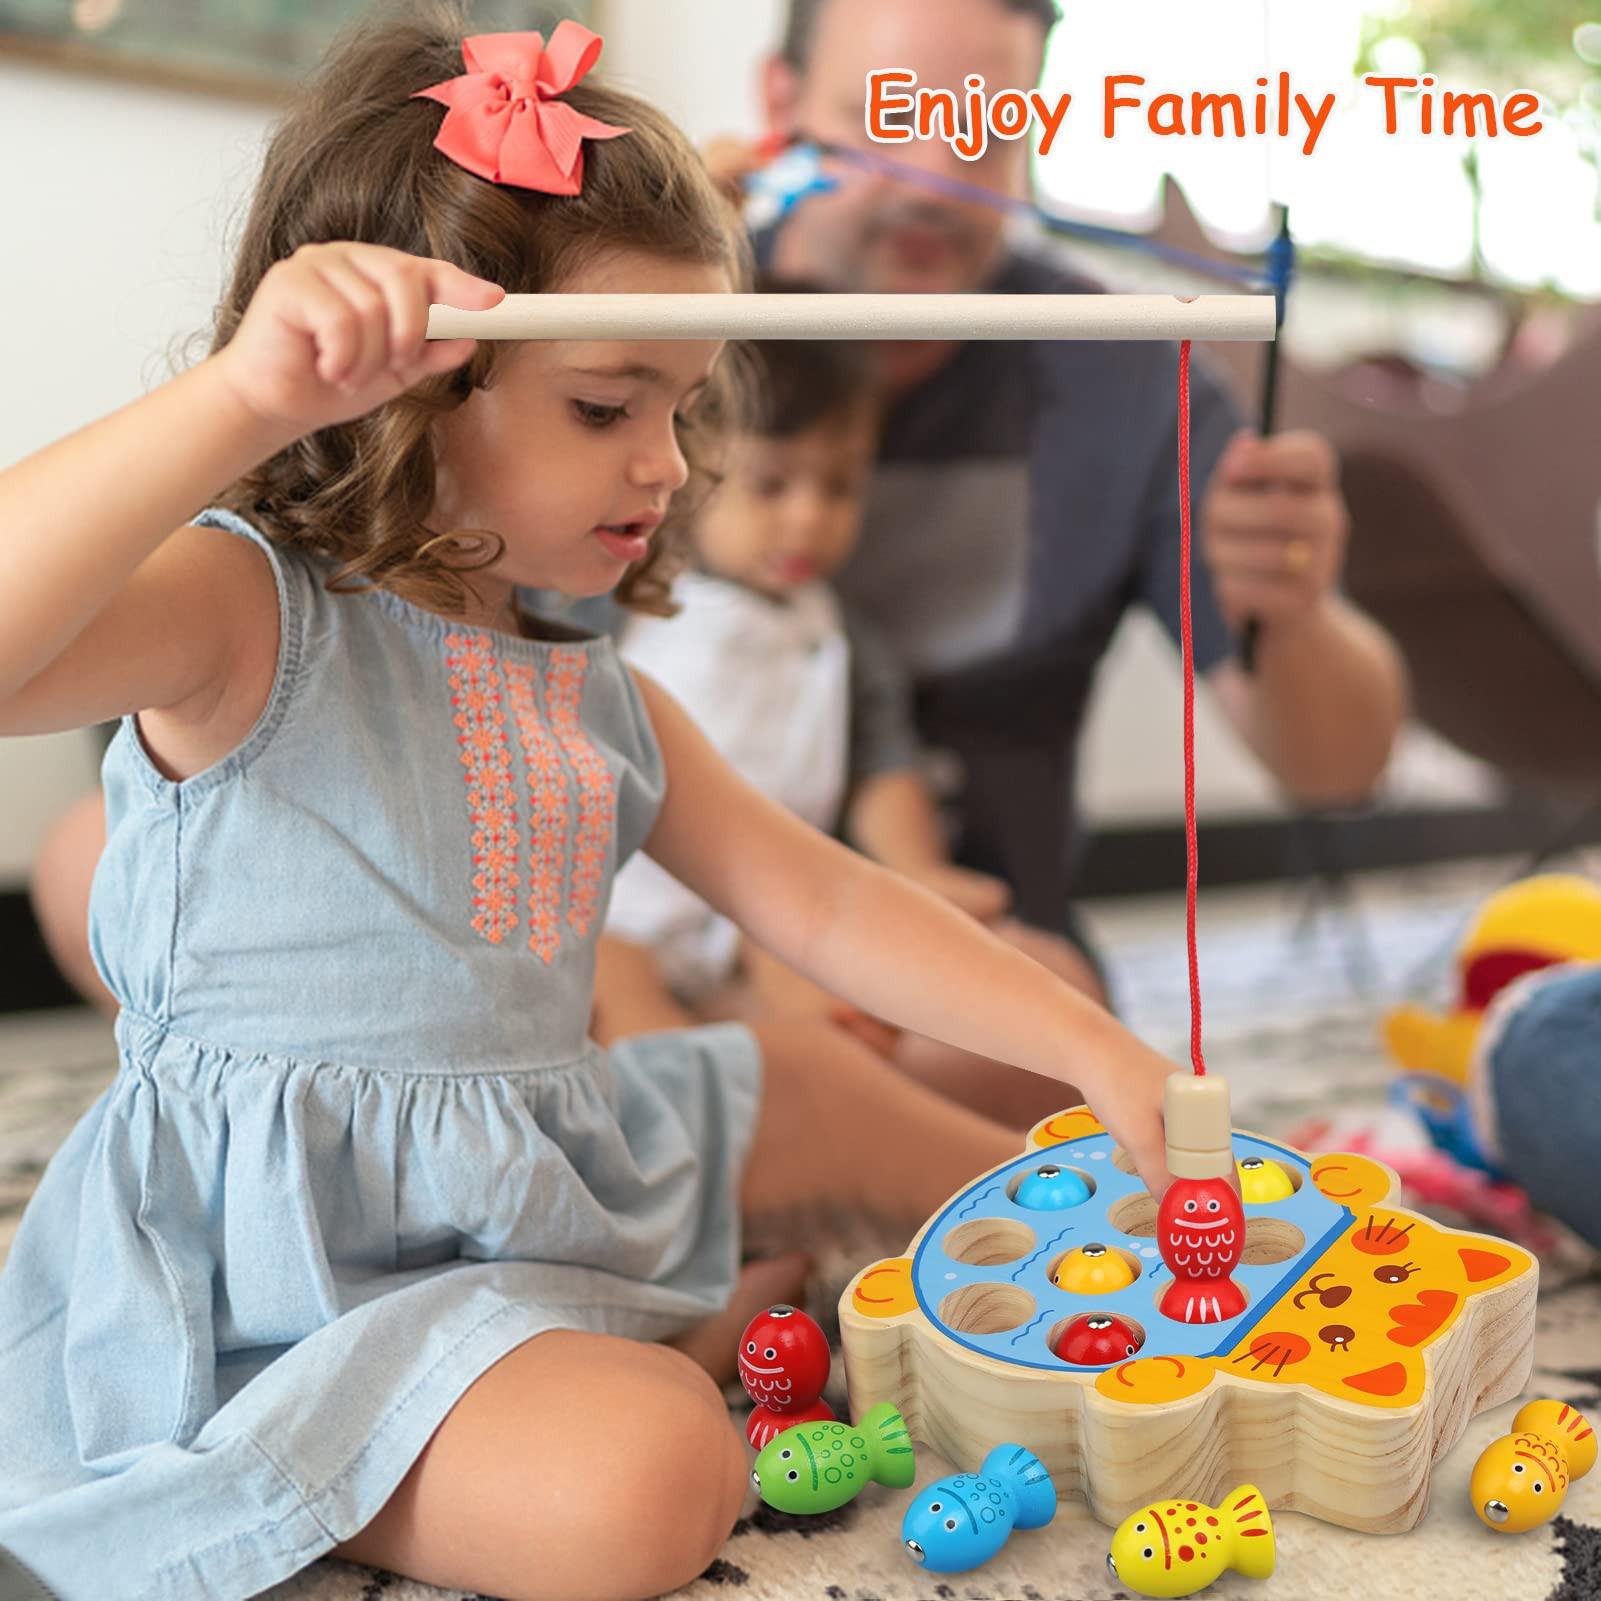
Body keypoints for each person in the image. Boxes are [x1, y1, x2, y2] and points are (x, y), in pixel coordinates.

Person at [0, 11, 1180, 1600]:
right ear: (408, 388)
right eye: (606, 409)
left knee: (794, 1076)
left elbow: (825, 905)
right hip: (294, 1282)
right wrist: (243, 395)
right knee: (655, 1475)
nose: (672, 465)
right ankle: (316, 1452)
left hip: (526, 1170)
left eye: (685, 411)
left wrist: (1093, 1048)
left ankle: (802, 1284)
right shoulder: (245, 611)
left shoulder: (596, 690)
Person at [701, 0, 1411, 1005]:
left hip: (964, 967)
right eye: (891, 119)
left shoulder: (1122, 374)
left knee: (1044, 1024)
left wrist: (1289, 611)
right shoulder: (674, 317)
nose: (938, 183)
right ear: (781, 105)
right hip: (659, 944)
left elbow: (1340, 767)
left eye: (987, 133)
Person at [595, 300, 1098, 1124]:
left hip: (774, 918)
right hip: (617, 922)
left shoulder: (839, 636)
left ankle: (803, 1158)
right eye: (770, 484)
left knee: (1008, 992)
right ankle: (701, 1190)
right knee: (639, 1055)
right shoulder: (627, 595)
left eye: (839, 485)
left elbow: (882, 770)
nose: (808, 516)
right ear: (682, 463)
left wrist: (919, 882)